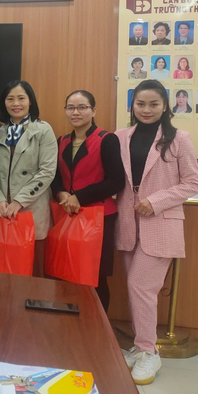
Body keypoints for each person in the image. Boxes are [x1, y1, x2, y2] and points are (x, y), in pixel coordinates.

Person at [116, 79, 198, 385]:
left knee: (140, 285)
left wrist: (155, 201)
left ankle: (149, 352)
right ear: (133, 105)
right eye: (140, 104)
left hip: (161, 224)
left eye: (154, 104)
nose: (147, 109)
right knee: (136, 289)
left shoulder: (179, 139)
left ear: (165, 106)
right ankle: (141, 348)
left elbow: (192, 183)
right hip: (128, 224)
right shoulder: (121, 136)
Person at [51, 90, 123, 310]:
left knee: (95, 276)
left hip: (98, 217)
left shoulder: (107, 140)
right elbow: (54, 177)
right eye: (71, 107)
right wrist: (61, 193)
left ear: (93, 110)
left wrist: (79, 197)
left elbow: (116, 181)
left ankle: (98, 327)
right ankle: (70, 325)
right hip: (67, 215)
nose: (76, 112)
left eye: (82, 107)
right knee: (67, 272)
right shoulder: (61, 141)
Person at [0, 80, 57, 277]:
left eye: (21, 98)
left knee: (32, 271)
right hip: (2, 211)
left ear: (30, 101)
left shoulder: (43, 130)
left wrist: (19, 201)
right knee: (3, 271)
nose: (16, 103)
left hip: (32, 209)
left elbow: (47, 171)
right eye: (10, 99)